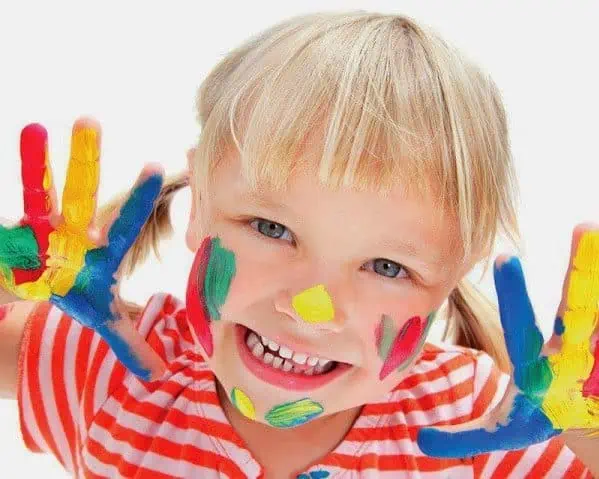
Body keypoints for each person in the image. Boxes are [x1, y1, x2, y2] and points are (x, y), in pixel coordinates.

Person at [0, 10, 597, 478]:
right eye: (272, 229)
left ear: (452, 275)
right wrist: (12, 271)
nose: (312, 305)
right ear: (200, 203)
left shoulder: (482, 429)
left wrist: (588, 429)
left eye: (386, 266)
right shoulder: (107, 373)